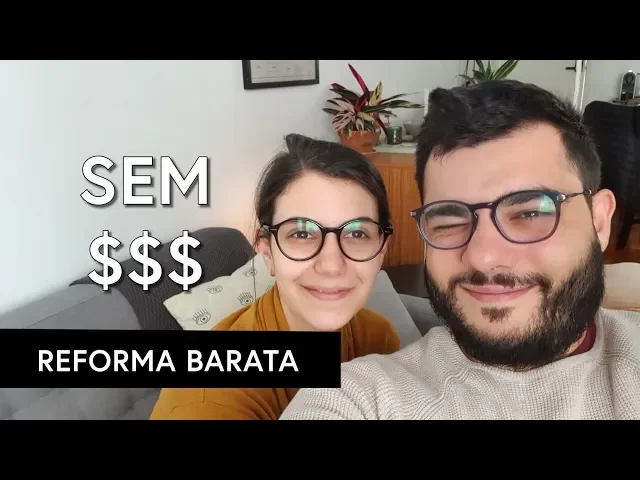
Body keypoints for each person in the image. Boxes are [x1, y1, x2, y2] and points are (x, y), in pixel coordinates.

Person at [280, 80, 640, 420]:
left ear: (599, 221)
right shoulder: (357, 397)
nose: (482, 257)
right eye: (450, 221)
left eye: (530, 213)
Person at [149, 133, 400, 420]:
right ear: (267, 252)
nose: (332, 265)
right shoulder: (205, 404)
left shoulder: (376, 337)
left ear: (381, 250)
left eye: (357, 233)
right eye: (302, 233)